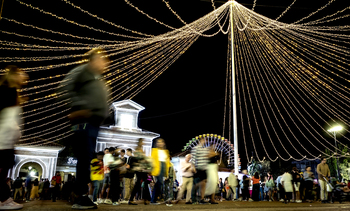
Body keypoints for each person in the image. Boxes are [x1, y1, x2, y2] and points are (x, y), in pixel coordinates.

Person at [58, 48, 109, 209]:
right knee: (84, 157)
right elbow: (64, 89)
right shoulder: (81, 71)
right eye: (102, 59)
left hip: (94, 123)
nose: (105, 63)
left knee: (87, 157)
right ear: (93, 59)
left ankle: (80, 195)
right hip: (83, 120)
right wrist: (79, 106)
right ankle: (81, 197)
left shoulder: (98, 78)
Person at [0, 65, 28, 210]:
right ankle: (4, 199)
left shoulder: (12, 92)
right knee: (2, 169)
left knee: (5, 169)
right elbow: (8, 118)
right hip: (3, 139)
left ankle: (4, 198)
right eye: (21, 74)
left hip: (7, 139)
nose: (24, 78)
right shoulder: (8, 92)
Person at [128, 138, 153, 205]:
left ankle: (146, 199)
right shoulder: (137, 150)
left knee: (144, 183)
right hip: (139, 169)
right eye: (142, 142)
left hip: (142, 169)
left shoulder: (141, 150)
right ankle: (134, 199)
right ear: (140, 142)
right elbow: (137, 158)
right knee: (140, 184)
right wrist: (144, 158)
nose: (143, 143)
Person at [150, 138, 170, 205]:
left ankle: (153, 200)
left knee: (159, 183)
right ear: (156, 144)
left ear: (163, 143)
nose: (159, 143)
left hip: (163, 167)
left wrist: (167, 171)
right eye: (158, 142)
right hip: (158, 167)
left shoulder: (166, 151)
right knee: (160, 183)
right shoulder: (154, 150)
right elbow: (152, 160)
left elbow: (167, 162)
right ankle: (153, 200)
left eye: (161, 142)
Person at [191, 137, 210, 204]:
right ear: (200, 141)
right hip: (198, 168)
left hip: (204, 169)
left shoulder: (205, 149)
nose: (205, 141)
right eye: (204, 140)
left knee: (203, 184)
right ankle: (193, 198)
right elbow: (193, 159)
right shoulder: (195, 148)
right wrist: (193, 167)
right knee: (197, 184)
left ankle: (202, 198)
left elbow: (207, 159)